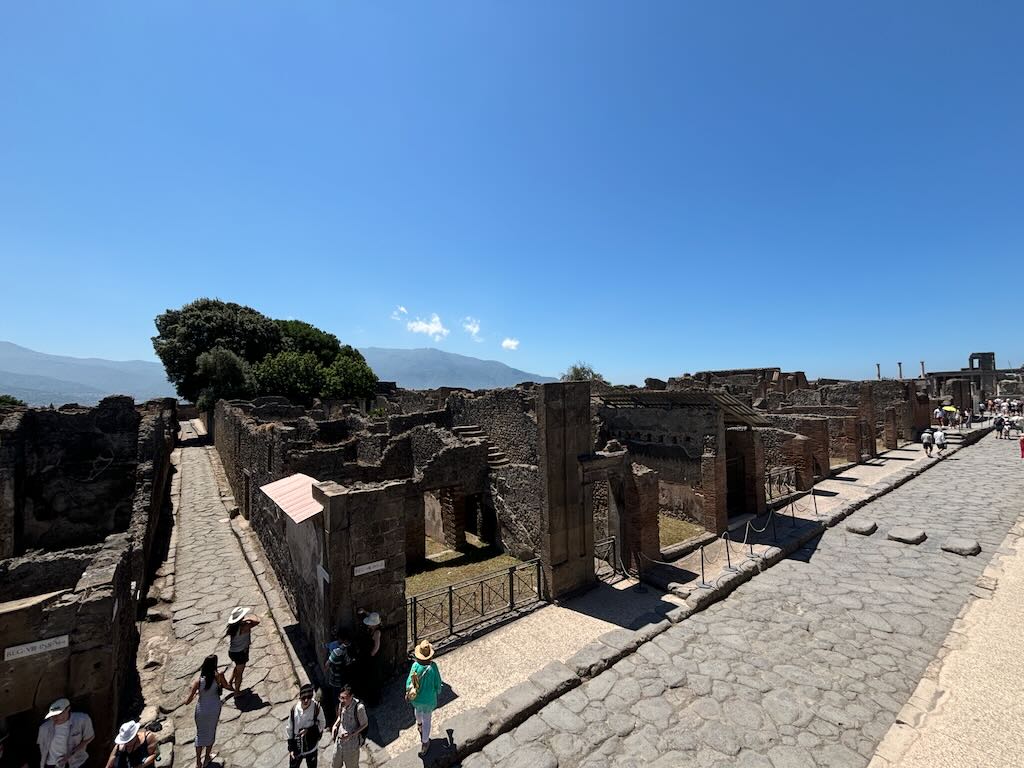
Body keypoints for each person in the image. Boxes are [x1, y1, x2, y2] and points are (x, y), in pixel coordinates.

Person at [183, 655, 230, 768]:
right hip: (214, 708)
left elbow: (187, 702)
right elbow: (226, 686)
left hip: (202, 710)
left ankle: (198, 761)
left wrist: (192, 695)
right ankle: (207, 757)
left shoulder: (198, 682)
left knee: (200, 734)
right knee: (211, 732)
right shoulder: (218, 676)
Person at [406, 641, 442, 758]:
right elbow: (438, 682)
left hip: (416, 698)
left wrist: (408, 691)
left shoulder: (415, 666)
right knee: (427, 719)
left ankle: (419, 724)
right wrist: (438, 690)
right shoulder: (433, 667)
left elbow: (410, 682)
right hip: (429, 700)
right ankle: (425, 742)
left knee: (417, 710)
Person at [36, 699, 94, 768]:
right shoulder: (44, 728)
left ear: (68, 709)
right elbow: (42, 746)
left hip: (76, 762)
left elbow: (89, 737)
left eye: (59, 714)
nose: (55, 718)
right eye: (52, 715)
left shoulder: (82, 720)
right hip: (52, 764)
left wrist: (69, 755)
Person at [286, 684, 325, 768]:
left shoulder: (316, 708)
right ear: (300, 698)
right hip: (297, 747)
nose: (306, 700)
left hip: (311, 747)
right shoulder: (294, 710)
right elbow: (289, 728)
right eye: (304, 698)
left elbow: (322, 724)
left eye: (309, 697)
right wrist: (291, 748)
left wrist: (309, 730)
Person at [225, 607, 260, 694]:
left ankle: (230, 682)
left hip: (232, 652)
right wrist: (249, 618)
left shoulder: (232, 627)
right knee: (240, 673)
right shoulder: (244, 627)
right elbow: (257, 621)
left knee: (237, 667)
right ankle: (237, 692)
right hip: (240, 653)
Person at [330, 685, 368, 768]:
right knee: (334, 765)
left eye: (344, 698)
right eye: (340, 698)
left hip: (352, 745)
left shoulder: (359, 708)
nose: (342, 700)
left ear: (351, 696)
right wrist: (335, 725)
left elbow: (365, 724)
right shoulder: (341, 704)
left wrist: (351, 734)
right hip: (339, 742)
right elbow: (340, 717)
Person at [323, 633, 356, 723]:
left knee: (337, 701)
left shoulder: (337, 652)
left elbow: (326, 665)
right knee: (346, 700)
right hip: (346, 680)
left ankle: (339, 720)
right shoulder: (351, 649)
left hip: (336, 680)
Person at [357, 612, 382, 706]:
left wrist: (370, 655)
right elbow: (371, 615)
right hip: (370, 657)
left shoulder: (377, 632)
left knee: (373, 678)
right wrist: (364, 611)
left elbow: (376, 647)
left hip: (373, 659)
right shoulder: (373, 629)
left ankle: (374, 700)